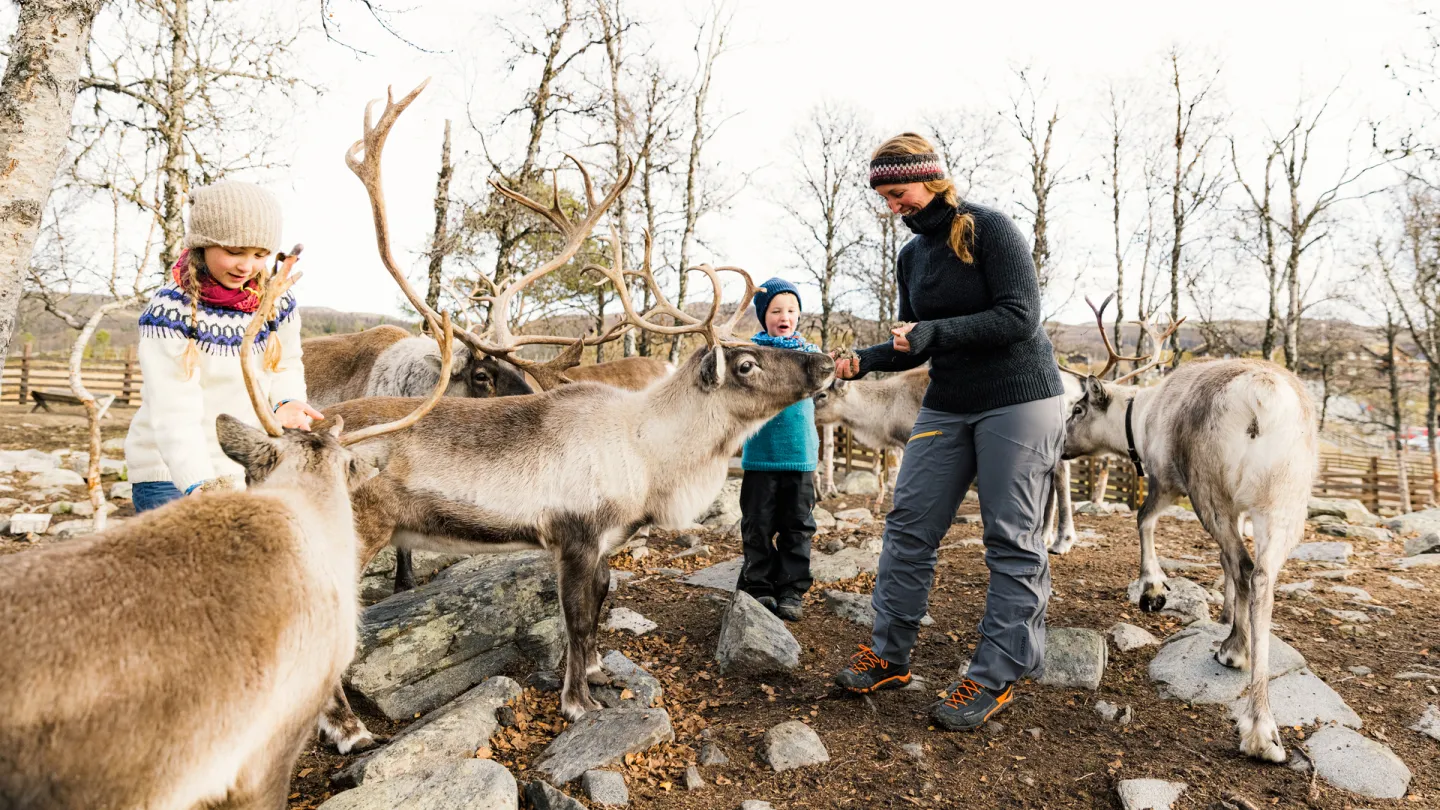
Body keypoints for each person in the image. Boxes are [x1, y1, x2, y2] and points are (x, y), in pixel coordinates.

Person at [832, 134, 1066, 731]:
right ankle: (889, 654)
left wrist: (933, 336)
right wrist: (866, 358)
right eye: (883, 196)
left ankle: (996, 674)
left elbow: (1020, 317)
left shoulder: (990, 229)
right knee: (909, 524)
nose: (892, 205)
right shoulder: (913, 257)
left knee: (1011, 538)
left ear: (931, 179)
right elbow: (917, 341)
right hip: (947, 401)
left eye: (898, 192)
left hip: (1018, 398)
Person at [125, 181, 322, 513]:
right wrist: (199, 482)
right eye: (234, 251)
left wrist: (287, 400)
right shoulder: (170, 310)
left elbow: (286, 361)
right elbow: (173, 409)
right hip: (170, 475)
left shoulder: (276, 300)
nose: (246, 266)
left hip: (243, 465)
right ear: (204, 243)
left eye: (260, 255)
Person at [735, 278, 822, 621]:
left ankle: (791, 587)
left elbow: (835, 377)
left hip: (800, 456)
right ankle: (758, 584)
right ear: (763, 315)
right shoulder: (751, 356)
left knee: (798, 524)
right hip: (760, 456)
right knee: (757, 523)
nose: (785, 316)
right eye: (776, 310)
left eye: (791, 310)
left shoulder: (811, 355)